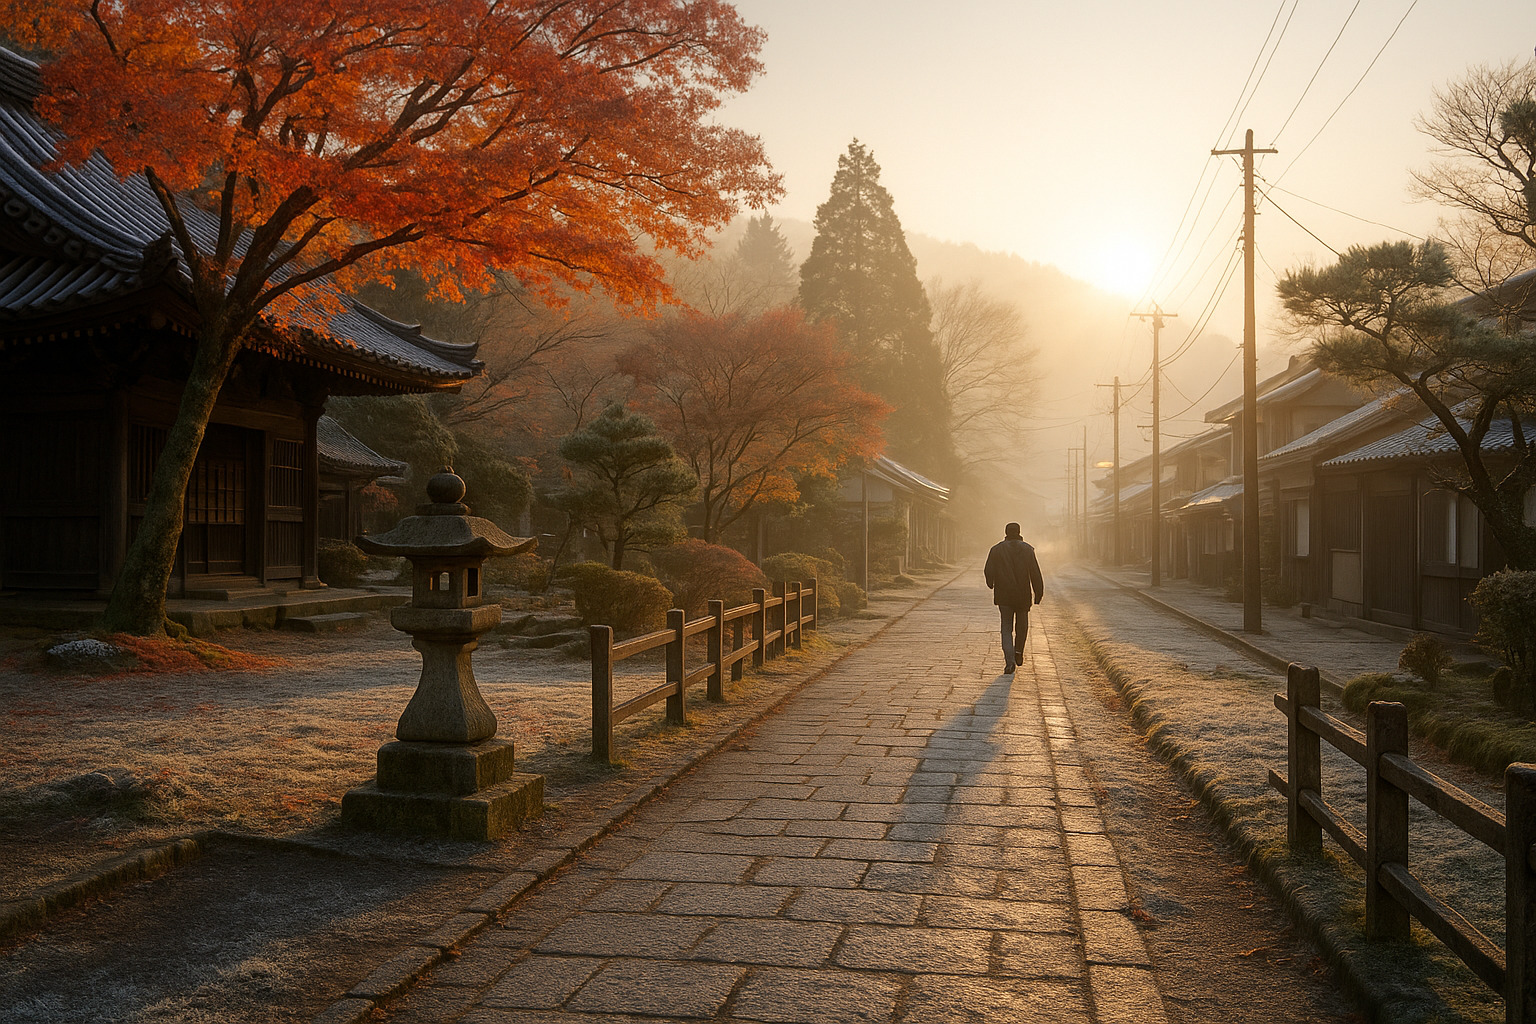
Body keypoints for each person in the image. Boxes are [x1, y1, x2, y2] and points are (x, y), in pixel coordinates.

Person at [983, 522, 1044, 674]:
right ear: (1018, 532)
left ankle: (1009, 662)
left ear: (1006, 532)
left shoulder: (996, 550)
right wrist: (1038, 593)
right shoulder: (1028, 549)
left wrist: (991, 583)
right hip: (1022, 595)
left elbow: (988, 570)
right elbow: (1035, 573)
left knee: (1006, 628)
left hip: (1004, 596)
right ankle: (1018, 651)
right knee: (1022, 627)